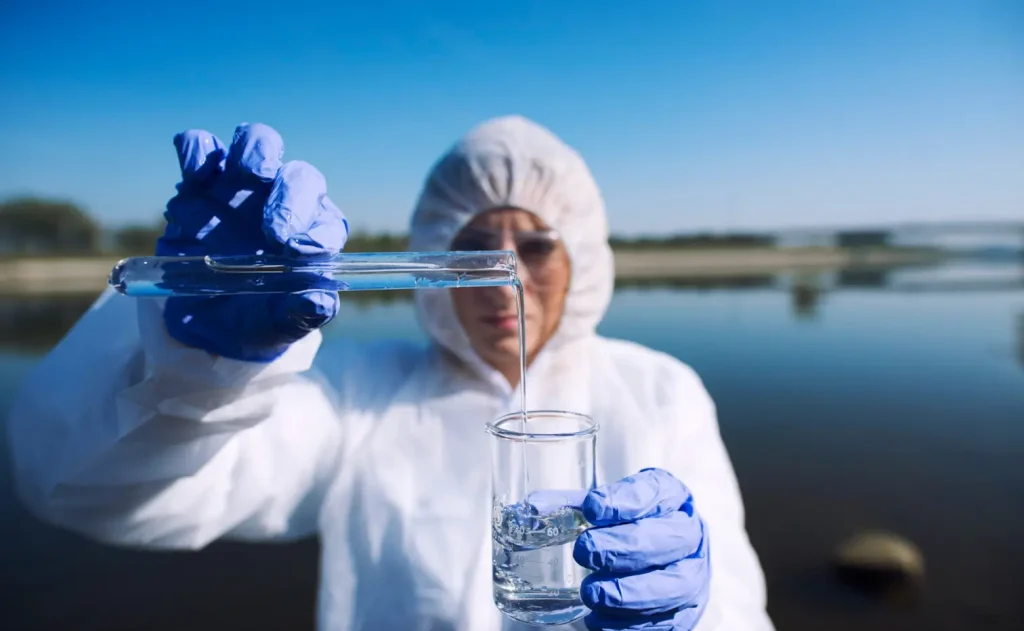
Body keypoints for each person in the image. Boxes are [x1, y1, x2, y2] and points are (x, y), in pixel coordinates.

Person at [6, 116, 774, 631]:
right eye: (474, 244)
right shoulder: (362, 395)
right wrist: (196, 366)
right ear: (438, 259)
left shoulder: (660, 391)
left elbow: (740, 602)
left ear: (582, 255)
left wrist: (696, 614)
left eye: (536, 245)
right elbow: (87, 487)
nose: (500, 277)